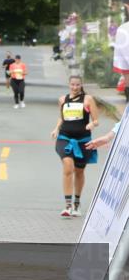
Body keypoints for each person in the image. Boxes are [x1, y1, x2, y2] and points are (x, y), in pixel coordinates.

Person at [49, 75, 99, 217]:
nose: (75, 87)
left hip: (83, 140)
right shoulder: (62, 99)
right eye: (72, 84)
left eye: (77, 85)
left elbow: (96, 120)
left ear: (81, 85)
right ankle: (67, 205)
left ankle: (77, 203)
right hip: (64, 138)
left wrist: (92, 124)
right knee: (68, 165)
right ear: (69, 84)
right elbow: (61, 117)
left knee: (79, 171)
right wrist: (56, 129)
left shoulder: (88, 99)